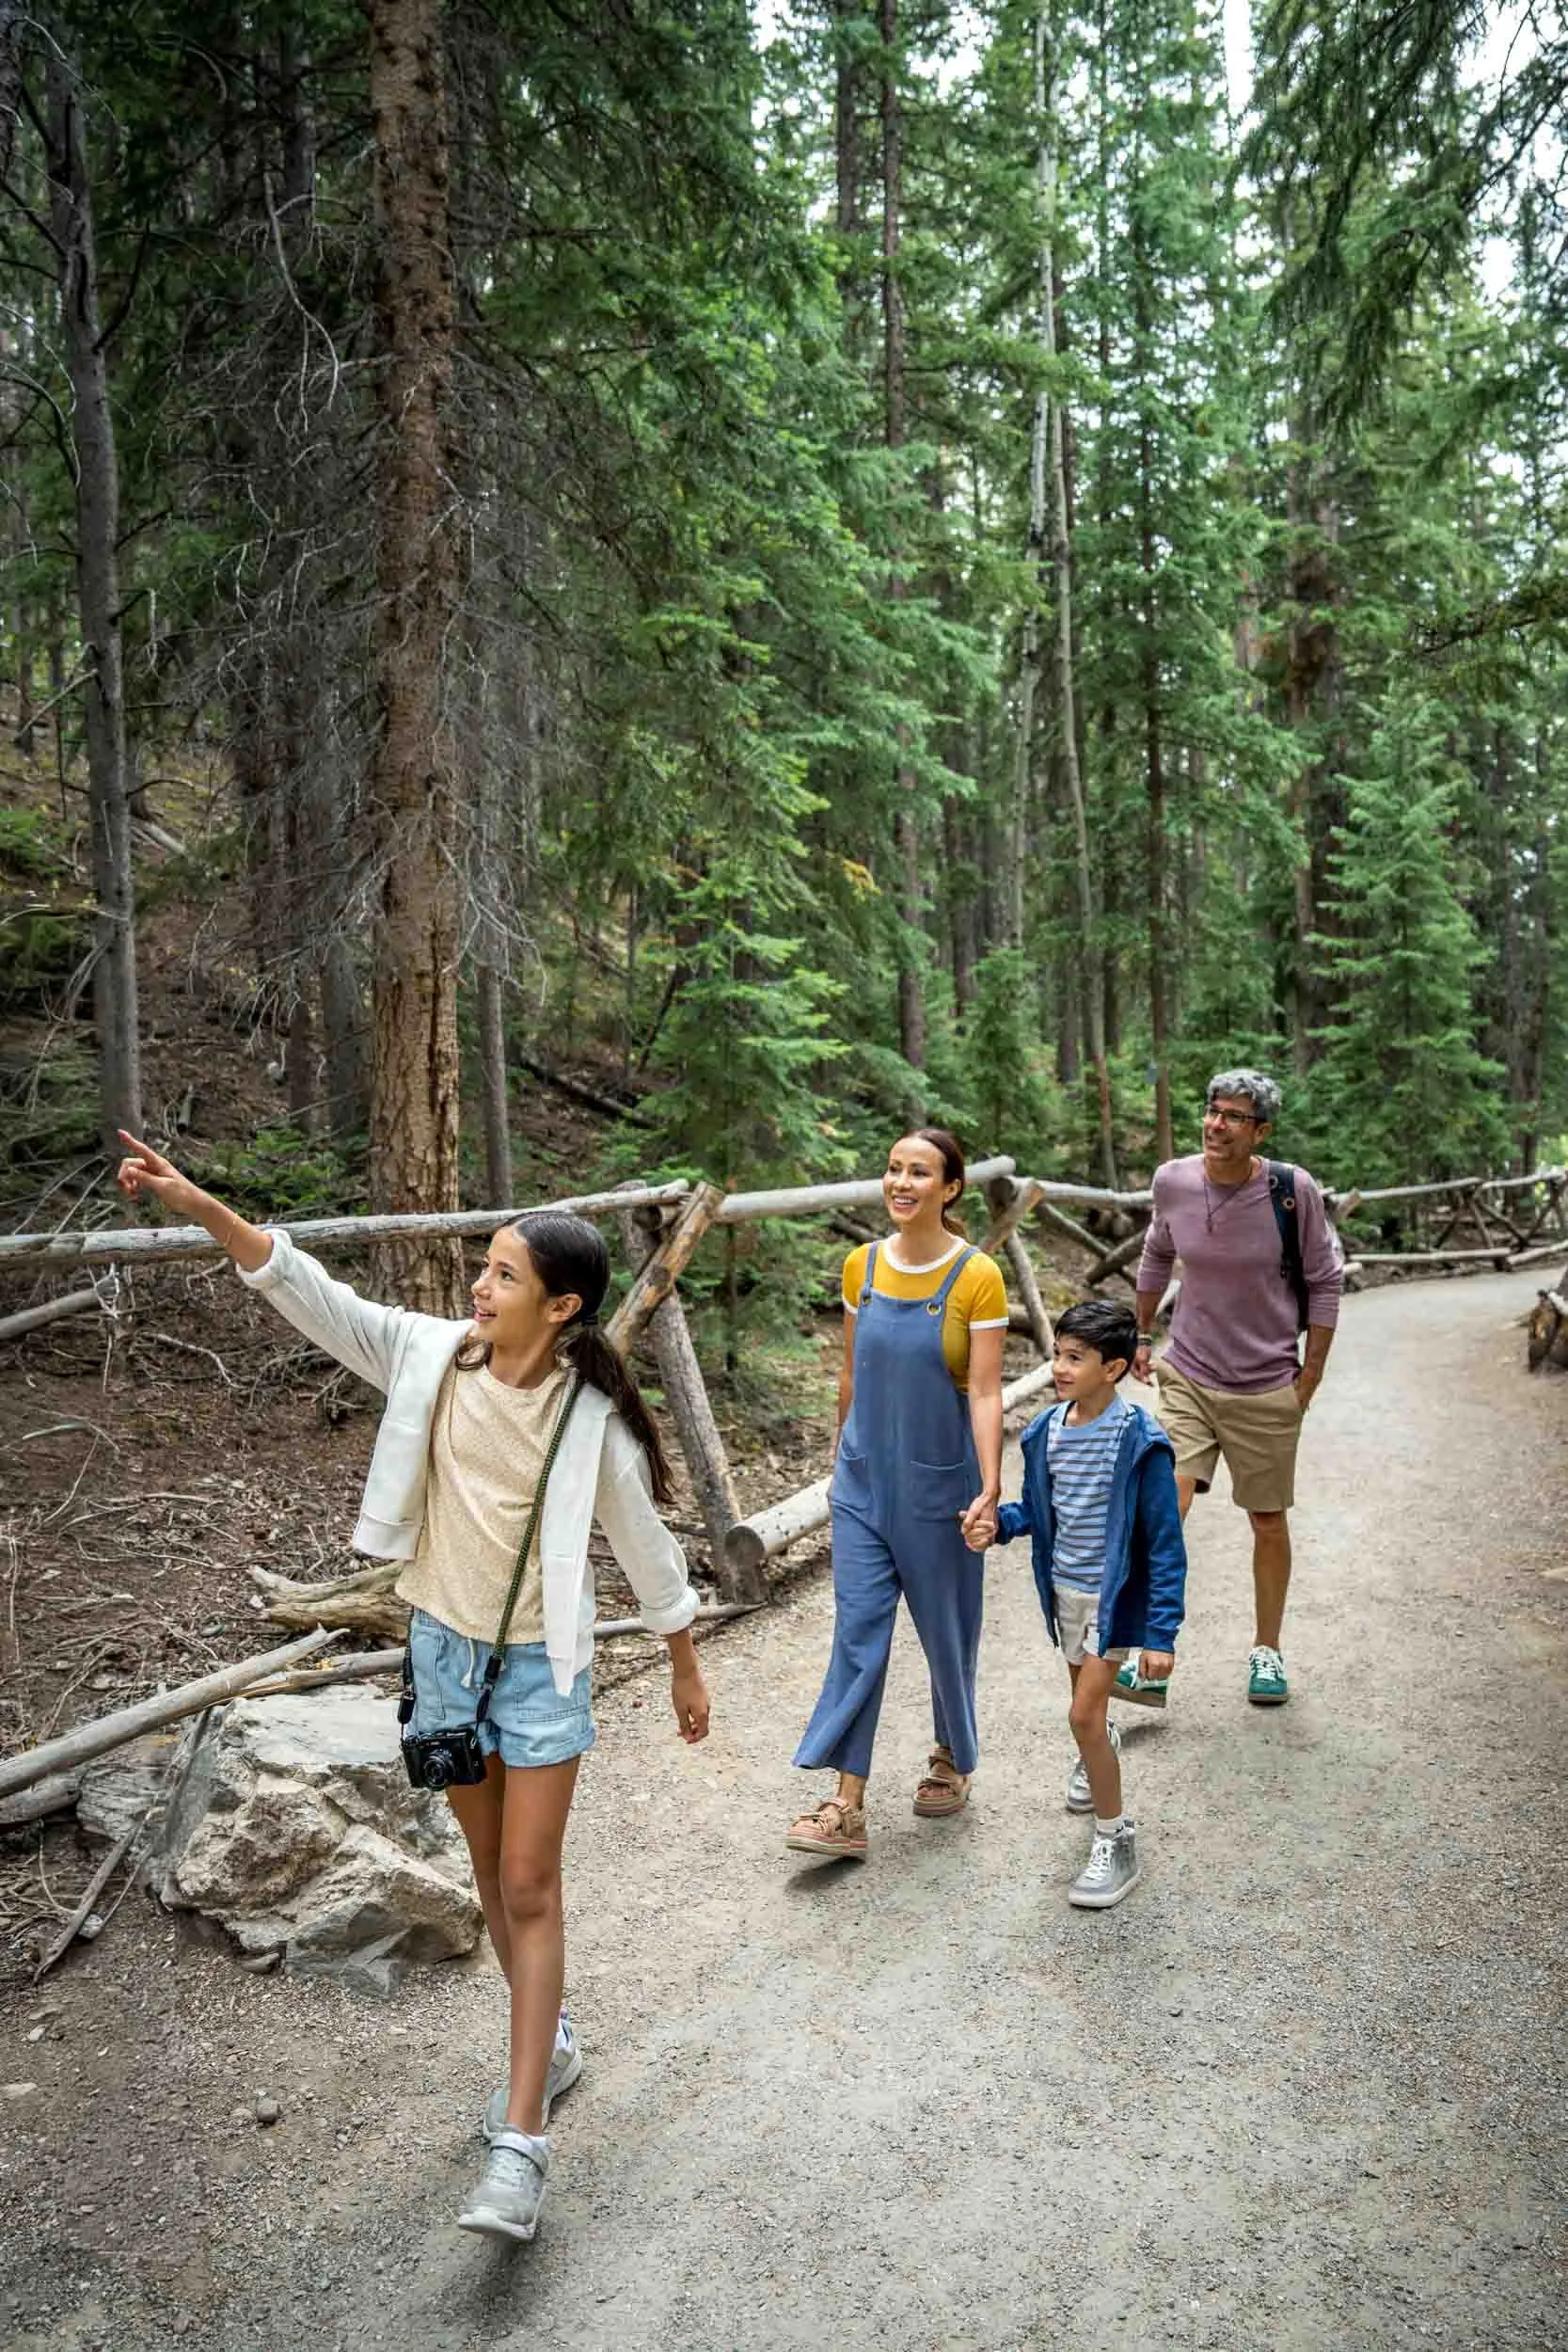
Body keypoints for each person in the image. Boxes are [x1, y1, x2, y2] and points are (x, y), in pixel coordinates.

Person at [114, 1133, 710, 2246]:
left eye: (502, 1276)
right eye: (483, 1269)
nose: (479, 1288)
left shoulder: (589, 1423)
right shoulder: (433, 1358)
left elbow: (645, 1545)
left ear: (561, 1307)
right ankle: (554, 2040)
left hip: (540, 1673)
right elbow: (308, 1289)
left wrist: (681, 1655)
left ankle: (521, 2141)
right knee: (487, 1871)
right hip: (442, 1656)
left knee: (530, 1886)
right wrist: (200, 1203)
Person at [785, 1129, 1006, 1860]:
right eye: (892, 1169)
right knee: (859, 1633)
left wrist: (990, 1488)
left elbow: (981, 1390)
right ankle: (845, 1804)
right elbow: (851, 1372)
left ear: (949, 1189)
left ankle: (950, 1754)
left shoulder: (976, 1277)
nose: (901, 1182)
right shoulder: (862, 1267)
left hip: (940, 1488)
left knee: (946, 1630)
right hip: (862, 1484)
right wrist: (839, 1457)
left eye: (919, 1172)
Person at [1130, 1068, 1342, 1708]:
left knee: (1267, 1520)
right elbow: (1154, 1255)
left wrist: (1308, 1377)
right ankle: (1151, 1650)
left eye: (1234, 1116)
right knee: (1164, 1504)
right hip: (1188, 1373)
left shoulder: (1289, 1191)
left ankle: (1267, 1650)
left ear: (1261, 1132)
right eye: (1212, 1110)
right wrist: (1141, 1334)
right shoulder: (1173, 1180)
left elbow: (1325, 1280)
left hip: (1265, 1383)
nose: (1216, 1123)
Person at [993, 1300, 1185, 1908]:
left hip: (1110, 1601)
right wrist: (996, 1525)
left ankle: (1115, 1836)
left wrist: (1159, 1634)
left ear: (1115, 1367)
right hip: (1063, 1594)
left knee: (1081, 1716)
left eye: (1075, 1357)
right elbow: (1037, 1511)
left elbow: (1163, 1542)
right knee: (1089, 1713)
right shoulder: (1044, 1432)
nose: (1059, 1367)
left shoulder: (1139, 1443)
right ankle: (1100, 1749)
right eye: (1057, 1353)